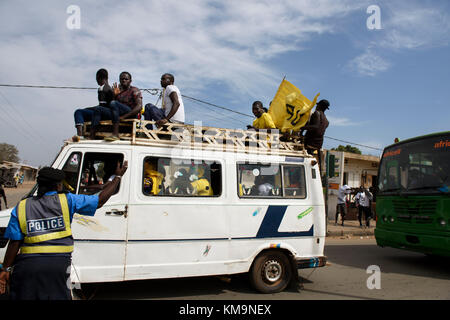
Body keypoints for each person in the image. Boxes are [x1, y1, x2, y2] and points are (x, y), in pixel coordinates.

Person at [0, 162, 128, 300]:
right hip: (59, 266)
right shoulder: (67, 200)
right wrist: (118, 177)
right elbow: (100, 200)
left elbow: (15, 242)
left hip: (28, 266)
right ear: (58, 185)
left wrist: (5, 269)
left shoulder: (22, 206)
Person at [92, 71, 142, 141]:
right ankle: (92, 135)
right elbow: (111, 106)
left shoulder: (134, 90)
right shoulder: (118, 91)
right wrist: (114, 95)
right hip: (118, 114)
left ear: (130, 81)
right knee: (98, 109)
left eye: (126, 79)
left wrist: (124, 117)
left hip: (130, 113)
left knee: (114, 103)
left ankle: (115, 134)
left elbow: (139, 107)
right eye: (122, 79)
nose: (123, 80)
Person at [73, 68, 114, 139]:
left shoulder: (102, 88)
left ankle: (80, 135)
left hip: (102, 114)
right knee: (87, 110)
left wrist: (90, 108)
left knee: (79, 112)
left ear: (99, 77)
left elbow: (102, 106)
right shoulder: (109, 88)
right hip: (107, 113)